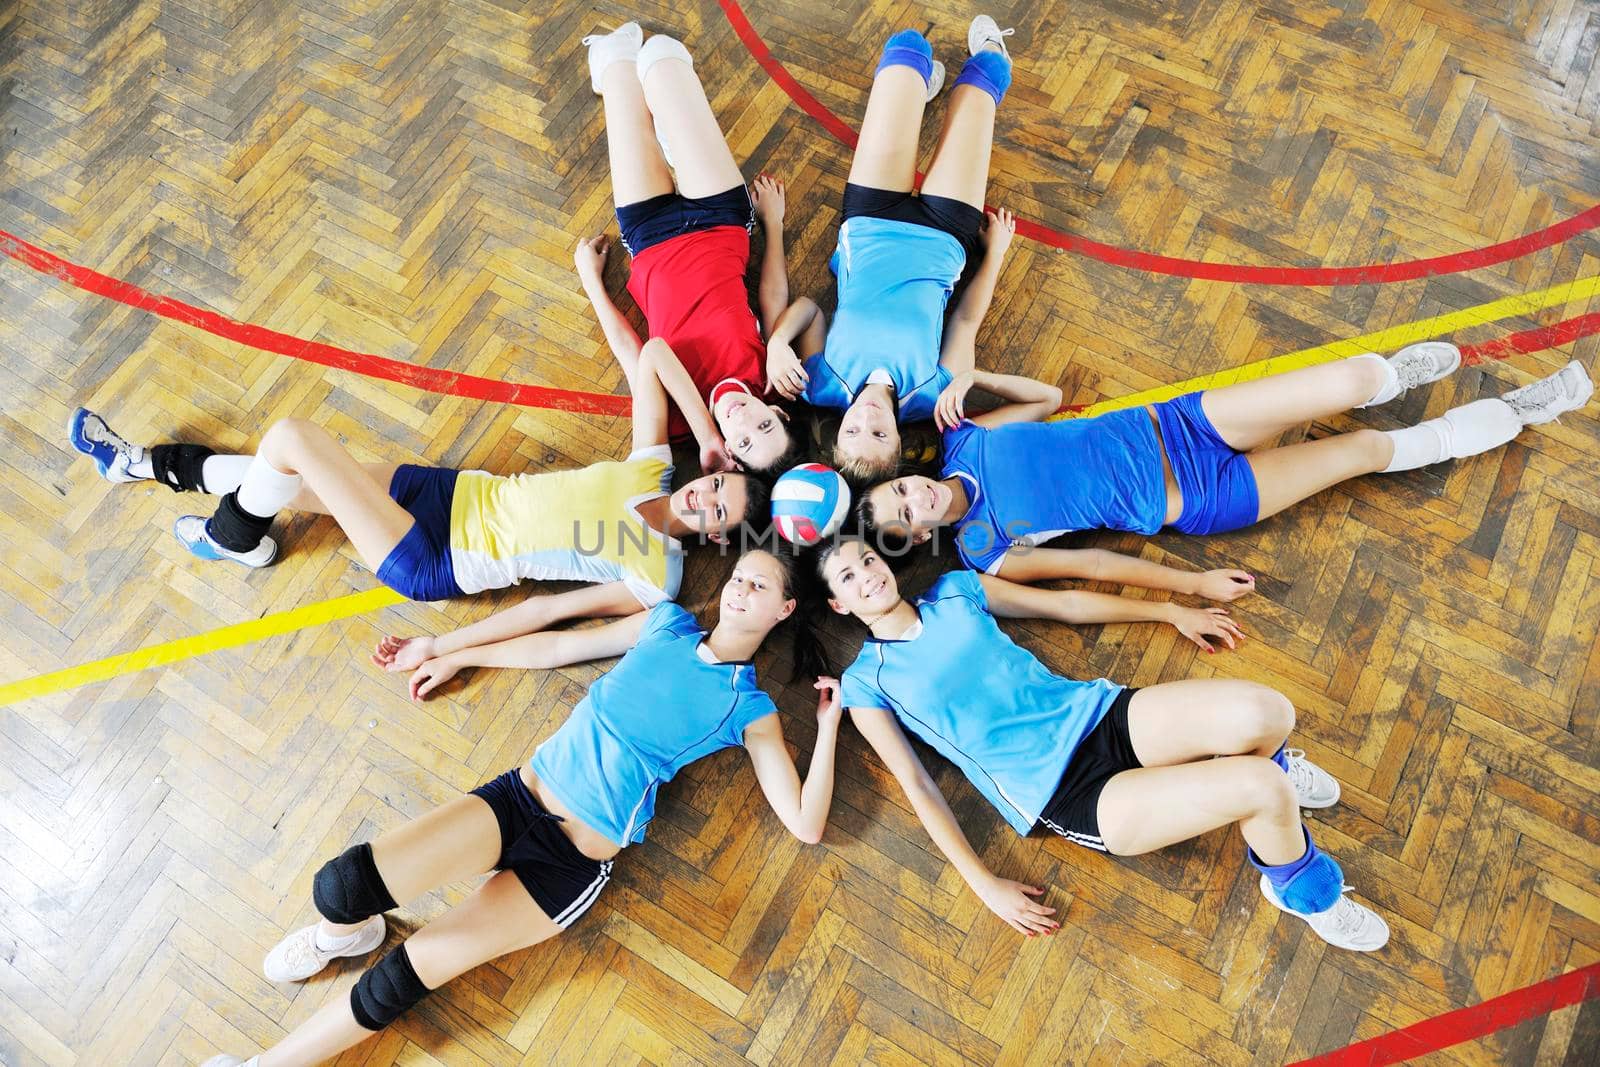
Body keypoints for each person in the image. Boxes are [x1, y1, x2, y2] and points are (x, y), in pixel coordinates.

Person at [200, 549, 842, 1067]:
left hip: (567, 866)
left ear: (784, 608)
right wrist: (453, 656)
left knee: (402, 977)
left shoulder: (748, 707)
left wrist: (829, 725)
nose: (739, 589)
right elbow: (554, 648)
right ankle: (349, 934)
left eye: (759, 586)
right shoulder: (664, 623)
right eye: (738, 576)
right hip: (517, 800)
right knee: (341, 886)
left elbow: (805, 824)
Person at [817, 539, 1390, 951]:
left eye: (867, 558)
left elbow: (1064, 605)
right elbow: (917, 785)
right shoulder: (869, 683)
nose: (866, 573)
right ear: (840, 606)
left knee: (1269, 712)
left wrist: (1169, 611)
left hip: (1101, 715)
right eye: (847, 577)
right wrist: (984, 884)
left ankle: (1280, 786)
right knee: (1262, 787)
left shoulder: (955, 592)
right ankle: (1306, 894)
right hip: (1067, 792)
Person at [67, 336, 769, 634]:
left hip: (439, 559)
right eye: (716, 485)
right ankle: (142, 465)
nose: (703, 497)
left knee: (289, 440)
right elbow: (651, 355)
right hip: (449, 491)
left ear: (716, 535)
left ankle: (235, 539)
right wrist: (707, 433)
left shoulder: (658, 575)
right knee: (283, 473)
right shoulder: (656, 467)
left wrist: (448, 647)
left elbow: (549, 618)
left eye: (716, 512)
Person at [859, 349, 1596, 578]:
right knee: (1367, 450)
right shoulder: (986, 548)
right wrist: (1188, 585)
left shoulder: (967, 439)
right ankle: (1525, 409)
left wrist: (975, 382)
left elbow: (1050, 397)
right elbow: (1097, 570)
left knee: (1349, 384)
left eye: (898, 488)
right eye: (905, 514)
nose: (914, 496)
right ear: (917, 538)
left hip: (1179, 422)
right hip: (1208, 495)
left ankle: (1392, 377)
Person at [763, 18, 1020, 483]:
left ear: (839, 430)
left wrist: (778, 344)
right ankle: (986, 64)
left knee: (907, 48)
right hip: (946, 233)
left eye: (853, 431)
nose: (868, 420)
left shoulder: (823, 385)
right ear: (901, 441)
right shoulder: (933, 395)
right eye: (879, 435)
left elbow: (809, 310)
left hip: (870, 218)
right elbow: (965, 320)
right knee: (987, 73)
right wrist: (996, 253)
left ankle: (915, 96)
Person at [578, 23, 796, 473]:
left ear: (730, 455)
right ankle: (673, 144)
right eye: (766, 427)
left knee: (617, 63)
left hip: (649, 233)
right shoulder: (771, 381)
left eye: (746, 442)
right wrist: (773, 225)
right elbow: (773, 297)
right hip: (721, 218)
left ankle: (665, 141)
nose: (748, 422)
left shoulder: (674, 419)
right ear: (777, 413)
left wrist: (592, 283)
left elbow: (637, 348)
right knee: (661, 56)